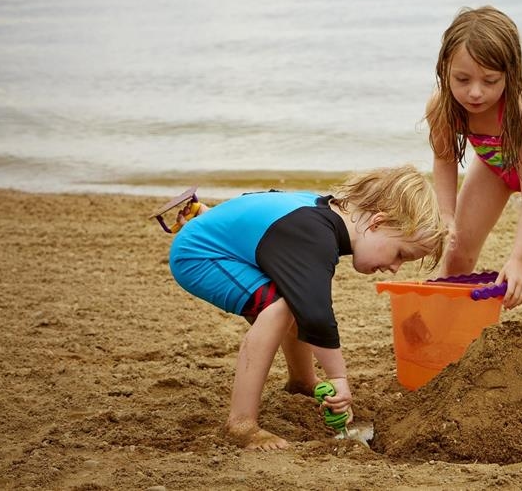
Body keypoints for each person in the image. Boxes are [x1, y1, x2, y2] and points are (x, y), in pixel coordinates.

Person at [167, 165, 446, 450]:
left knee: (295, 297)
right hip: (200, 255)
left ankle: (301, 381)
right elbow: (316, 313)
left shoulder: (324, 215)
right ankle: (241, 424)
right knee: (279, 307)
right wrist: (338, 377)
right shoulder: (315, 234)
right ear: (376, 222)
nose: (395, 268)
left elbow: (260, 204)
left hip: (221, 245)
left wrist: (209, 215)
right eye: (400, 254)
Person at [425, 6, 522, 342]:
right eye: (462, 80)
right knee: (457, 249)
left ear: (510, 74)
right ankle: (451, 340)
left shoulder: (520, 111)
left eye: (490, 81)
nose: (475, 92)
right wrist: (446, 216)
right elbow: (445, 161)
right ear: (444, 69)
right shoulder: (442, 106)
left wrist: (517, 261)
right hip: (493, 163)